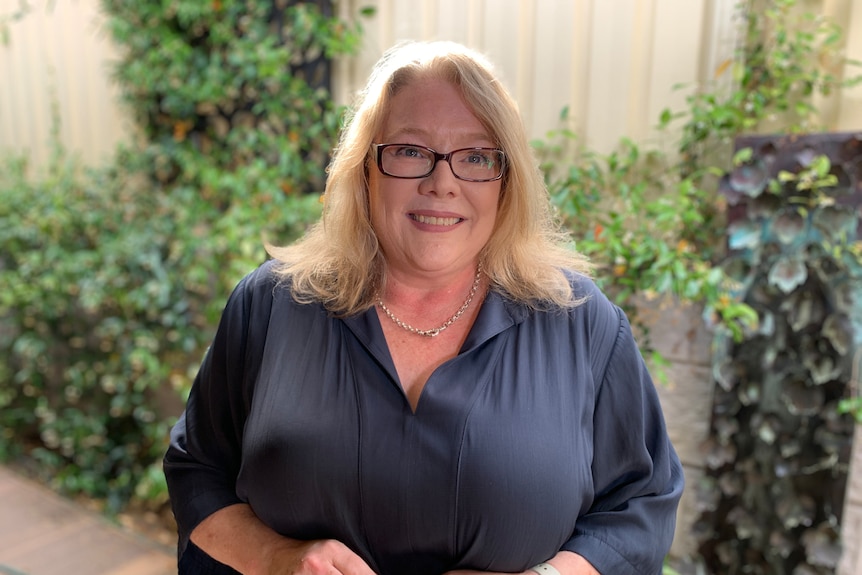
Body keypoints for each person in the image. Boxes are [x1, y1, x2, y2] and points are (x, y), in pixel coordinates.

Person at [164, 40, 684, 575]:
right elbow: (197, 470)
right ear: (365, 169)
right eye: (411, 150)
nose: (442, 183)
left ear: (507, 183)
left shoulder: (580, 321)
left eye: (477, 157)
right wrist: (275, 557)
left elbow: (639, 503)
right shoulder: (271, 306)